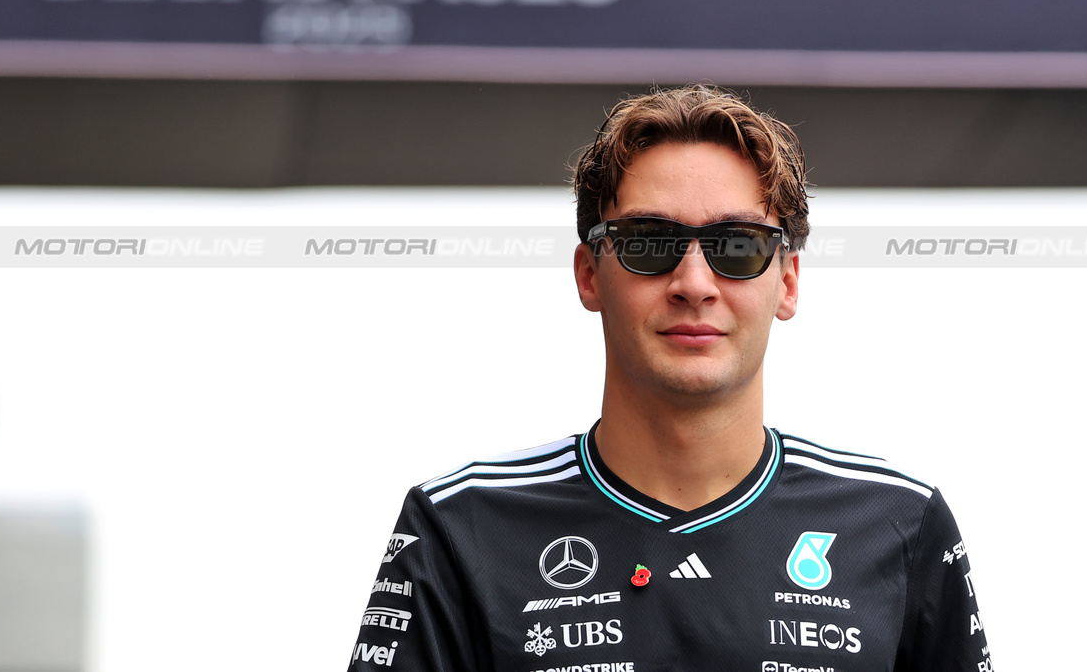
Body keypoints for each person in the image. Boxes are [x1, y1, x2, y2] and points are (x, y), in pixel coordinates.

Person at [346, 85, 992, 672]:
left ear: (787, 281)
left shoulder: (899, 522)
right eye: (648, 242)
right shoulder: (461, 526)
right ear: (588, 274)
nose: (692, 284)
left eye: (737, 245)